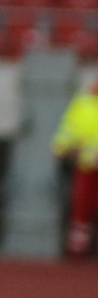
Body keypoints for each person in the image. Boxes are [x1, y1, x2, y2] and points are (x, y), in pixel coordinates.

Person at [55, 79, 98, 257]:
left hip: (86, 164)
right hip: (85, 166)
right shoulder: (83, 103)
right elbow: (68, 130)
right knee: (81, 208)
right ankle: (78, 250)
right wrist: (62, 148)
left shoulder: (83, 103)